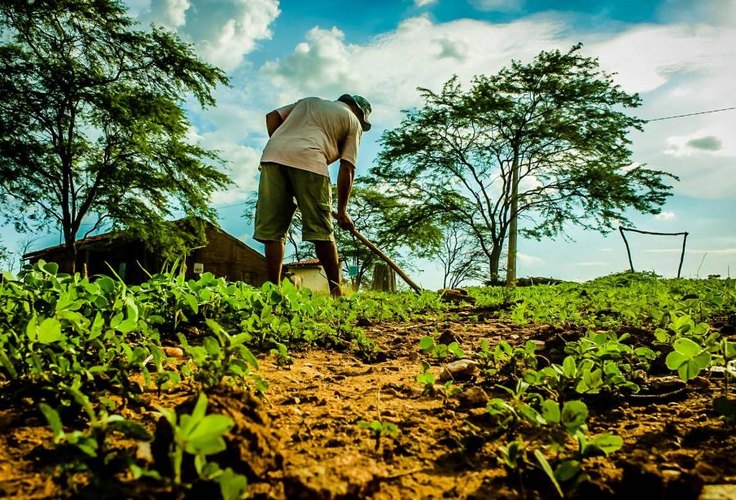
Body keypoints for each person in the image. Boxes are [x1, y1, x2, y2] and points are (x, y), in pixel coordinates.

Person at [253, 94, 372, 297]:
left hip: (272, 157)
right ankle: (336, 292)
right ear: (359, 112)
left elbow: (272, 117)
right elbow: (348, 167)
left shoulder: (309, 102)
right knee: (322, 231)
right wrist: (343, 211)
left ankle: (273, 291)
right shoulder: (353, 121)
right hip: (311, 160)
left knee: (273, 232)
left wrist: (285, 148)